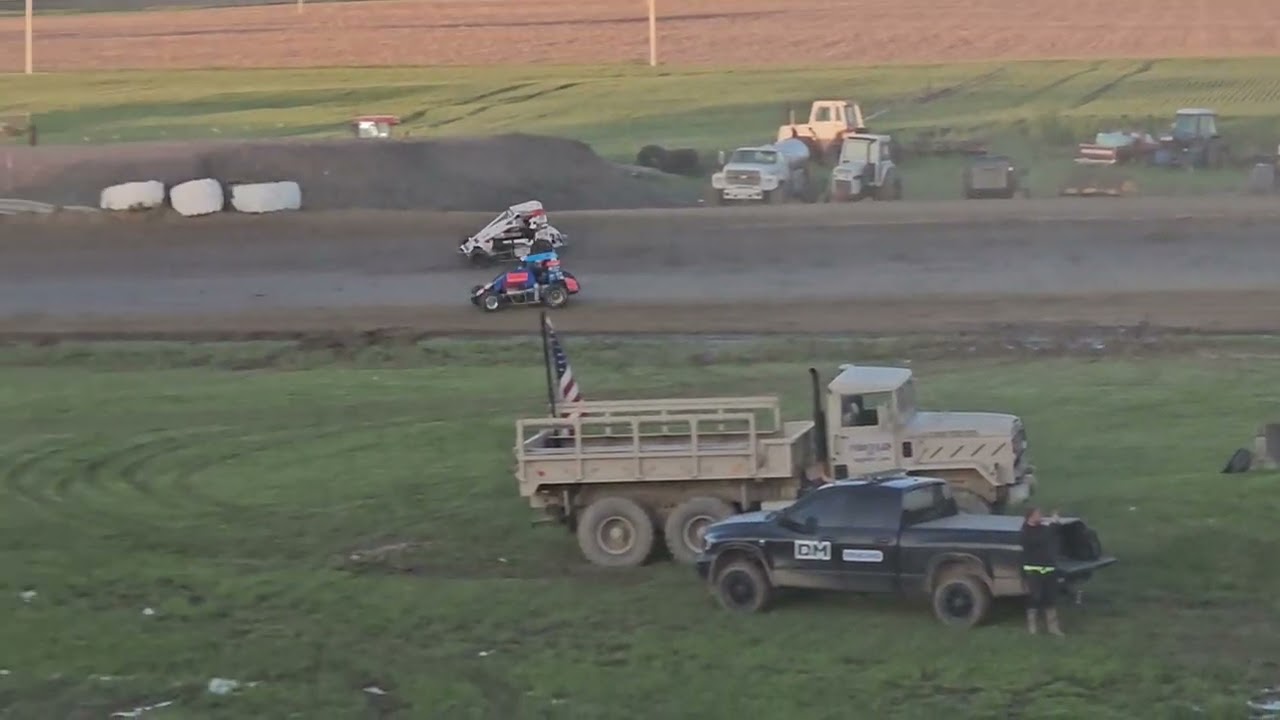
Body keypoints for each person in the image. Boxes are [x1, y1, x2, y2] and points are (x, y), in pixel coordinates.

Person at [1020, 506, 1065, 637]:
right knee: (1035, 597)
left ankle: (1053, 627)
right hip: (1033, 570)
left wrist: (1056, 522)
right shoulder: (1025, 532)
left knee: (1050, 598)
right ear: (1030, 517)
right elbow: (1040, 539)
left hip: (1049, 568)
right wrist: (1052, 524)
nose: (1040, 516)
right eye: (1038, 514)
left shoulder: (1044, 529)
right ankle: (1032, 627)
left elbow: (1054, 532)